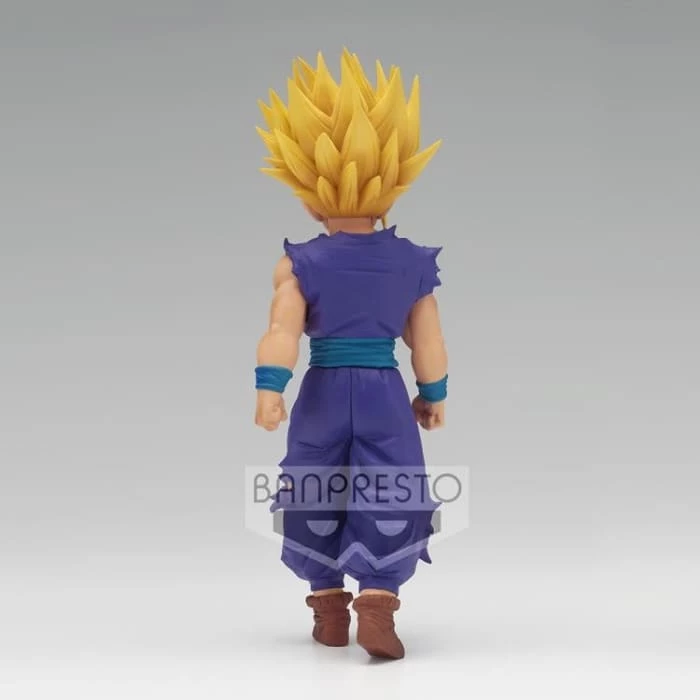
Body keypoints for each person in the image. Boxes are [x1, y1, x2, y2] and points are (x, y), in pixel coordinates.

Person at [253, 49, 448, 660]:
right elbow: (428, 340)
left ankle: (329, 604)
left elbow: (282, 330)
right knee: (393, 484)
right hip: (385, 390)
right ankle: (379, 598)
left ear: (308, 193)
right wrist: (434, 393)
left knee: (313, 482)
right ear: (394, 187)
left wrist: (269, 387)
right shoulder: (411, 263)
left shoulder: (300, 263)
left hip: (323, 388)